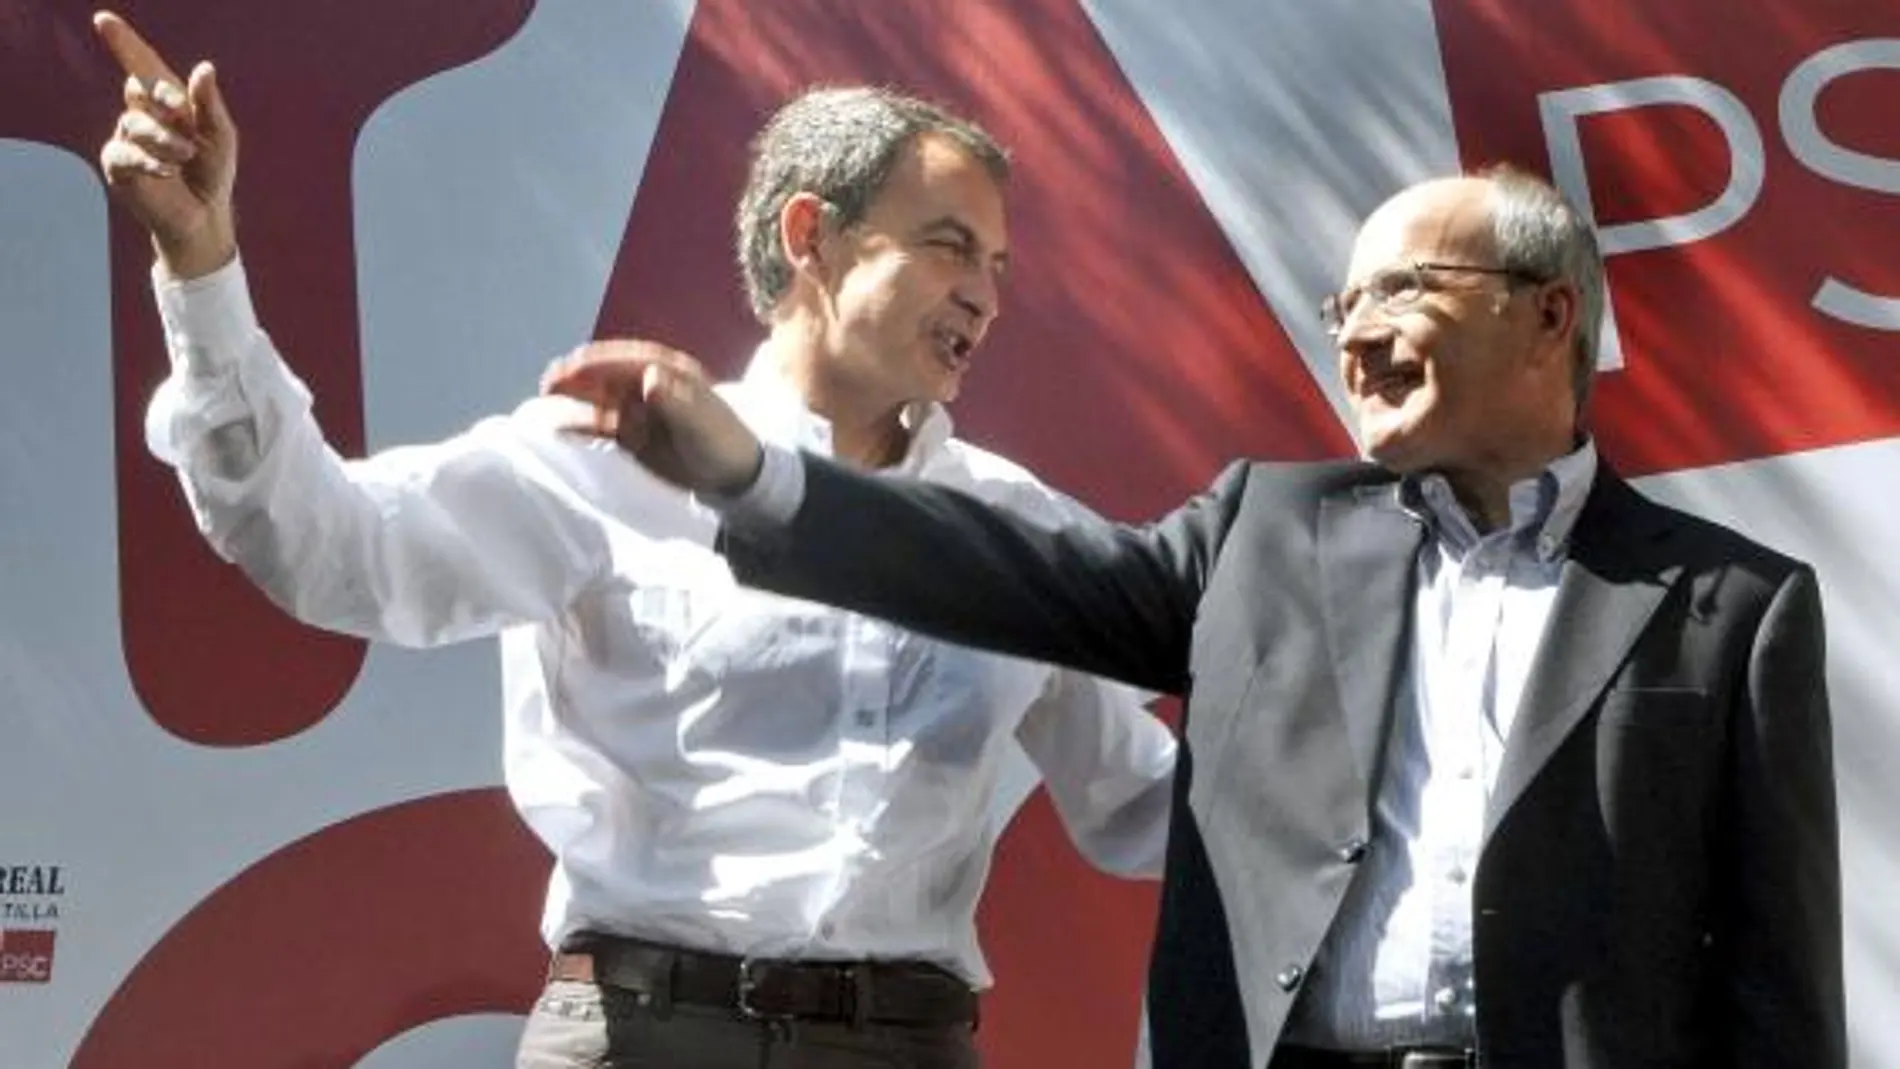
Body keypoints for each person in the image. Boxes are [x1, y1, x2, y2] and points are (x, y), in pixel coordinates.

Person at [538, 166, 1846, 1068]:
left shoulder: (1729, 605)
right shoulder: (1268, 529)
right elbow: (1014, 573)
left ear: (1546, 312)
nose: (1357, 337)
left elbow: (1779, 985)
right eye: (1343, 309)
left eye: (1399, 294)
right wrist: (752, 477)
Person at [94, 12, 1179, 1069]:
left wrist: (1340, 762)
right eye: (950, 249)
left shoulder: (1013, 525)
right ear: (814, 237)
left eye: (996, 263)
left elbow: (1140, 803)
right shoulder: (604, 459)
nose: (985, 297)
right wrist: (202, 272)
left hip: (905, 1042)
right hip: (638, 1031)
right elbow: (323, 546)